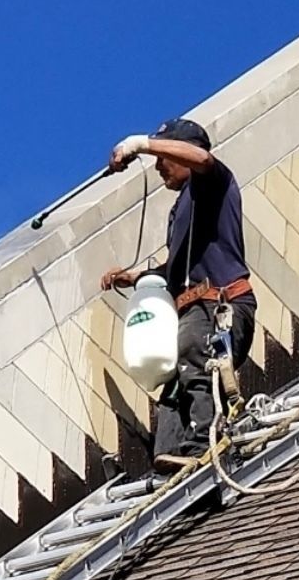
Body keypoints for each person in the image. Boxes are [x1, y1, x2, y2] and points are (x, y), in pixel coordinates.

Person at [99, 119, 256, 471]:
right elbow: (175, 267)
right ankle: (170, 458)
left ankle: (202, 445)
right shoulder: (182, 208)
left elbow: (200, 158)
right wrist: (134, 276)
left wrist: (139, 144)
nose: (158, 167)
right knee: (173, 385)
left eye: (164, 156)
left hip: (218, 305)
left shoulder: (213, 183)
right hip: (193, 309)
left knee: (195, 358)